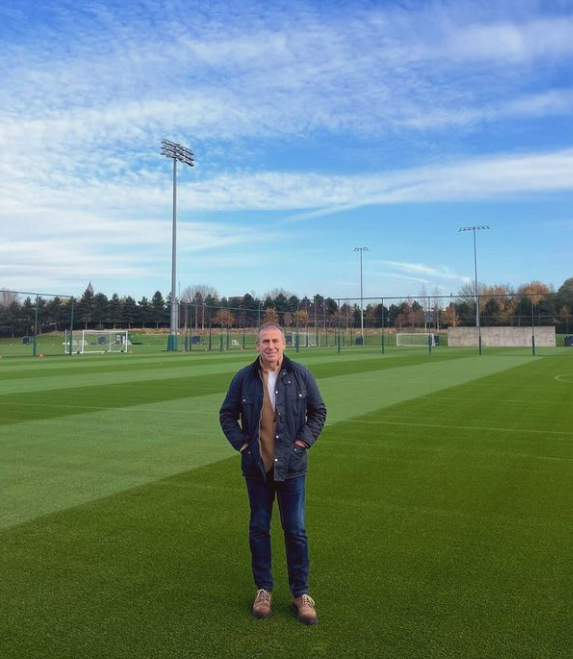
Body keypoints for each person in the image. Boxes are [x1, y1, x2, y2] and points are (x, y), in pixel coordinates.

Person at [219, 322, 327, 625]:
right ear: (257, 345)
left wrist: (302, 443)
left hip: (291, 467)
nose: (270, 346)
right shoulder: (244, 378)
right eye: (264, 341)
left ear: (284, 343)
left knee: (295, 529)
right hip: (257, 468)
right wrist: (242, 446)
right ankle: (263, 589)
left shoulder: (300, 374)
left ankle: (300, 594)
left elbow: (318, 411)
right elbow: (227, 414)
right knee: (259, 528)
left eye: (275, 341)